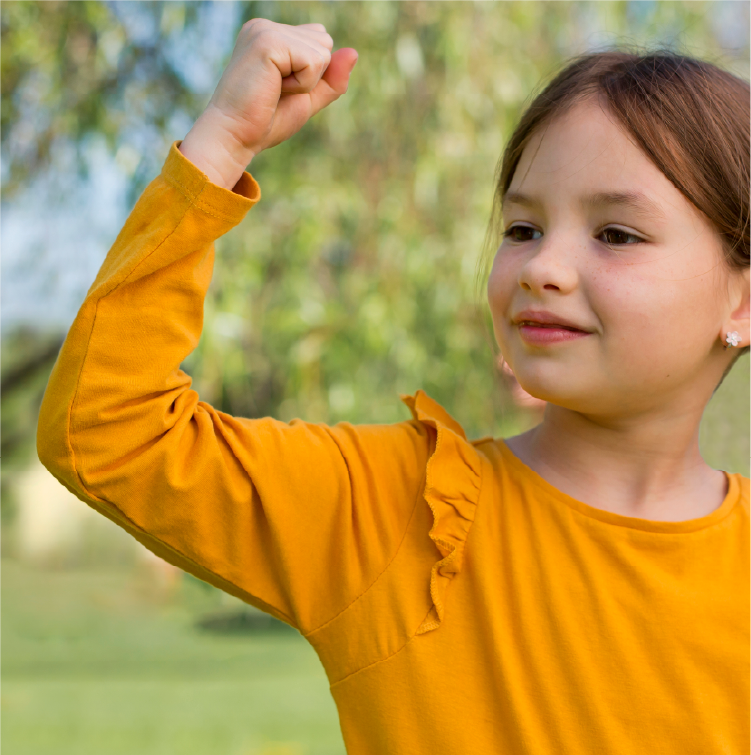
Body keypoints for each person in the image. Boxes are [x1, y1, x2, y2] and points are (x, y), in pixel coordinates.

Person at [37, 17, 751, 754]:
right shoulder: (394, 513)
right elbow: (106, 424)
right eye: (521, 229)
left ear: (741, 301)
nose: (543, 268)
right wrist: (220, 144)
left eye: (614, 235)